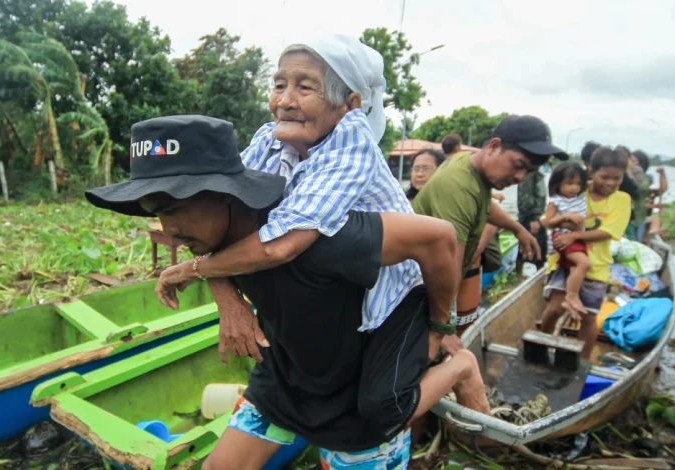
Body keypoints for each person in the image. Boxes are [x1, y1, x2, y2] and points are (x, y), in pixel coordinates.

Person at [86, 115, 490, 470]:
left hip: (356, 390)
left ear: (226, 192)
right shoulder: (210, 236)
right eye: (155, 211)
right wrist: (227, 299)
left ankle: (459, 367)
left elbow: (439, 238)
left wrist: (442, 323)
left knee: (382, 412)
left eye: (173, 207)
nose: (167, 229)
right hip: (285, 373)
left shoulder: (315, 233)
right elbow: (212, 249)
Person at [152, 36, 426, 364]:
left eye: (305, 88)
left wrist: (189, 270)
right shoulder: (270, 138)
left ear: (350, 106)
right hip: (326, 288)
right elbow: (226, 208)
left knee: (379, 405)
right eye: (279, 84)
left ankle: (459, 368)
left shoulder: (353, 146)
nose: (285, 101)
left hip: (389, 296)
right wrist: (226, 298)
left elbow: (279, 246)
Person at [413, 115, 568, 328]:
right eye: (518, 165)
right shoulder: (457, 185)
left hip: (433, 279)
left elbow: (483, 203)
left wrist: (516, 228)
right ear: (494, 147)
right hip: (419, 285)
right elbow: (449, 267)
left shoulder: (469, 162)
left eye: (529, 172)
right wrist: (442, 327)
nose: (520, 177)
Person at [539, 146, 632, 359]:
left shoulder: (622, 200)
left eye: (617, 178)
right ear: (592, 172)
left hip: (596, 263)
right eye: (604, 177)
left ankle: (582, 362)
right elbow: (551, 217)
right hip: (564, 259)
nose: (610, 183)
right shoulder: (576, 190)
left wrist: (573, 236)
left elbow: (608, 231)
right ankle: (541, 345)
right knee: (554, 308)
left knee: (589, 317)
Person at [542, 162, 591, 317]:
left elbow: (594, 181)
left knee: (574, 267)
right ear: (558, 184)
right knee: (584, 263)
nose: (574, 188)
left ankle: (569, 300)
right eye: (569, 184)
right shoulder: (556, 201)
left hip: (575, 238)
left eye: (578, 184)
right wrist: (566, 216)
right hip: (562, 237)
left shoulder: (580, 197)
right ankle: (571, 296)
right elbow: (548, 221)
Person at [515, 168, 548, 274]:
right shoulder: (528, 172)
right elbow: (525, 199)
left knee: (537, 251)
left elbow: (540, 196)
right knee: (524, 250)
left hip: (534, 216)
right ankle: (519, 277)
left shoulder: (535, 172)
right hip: (527, 216)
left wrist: (536, 218)